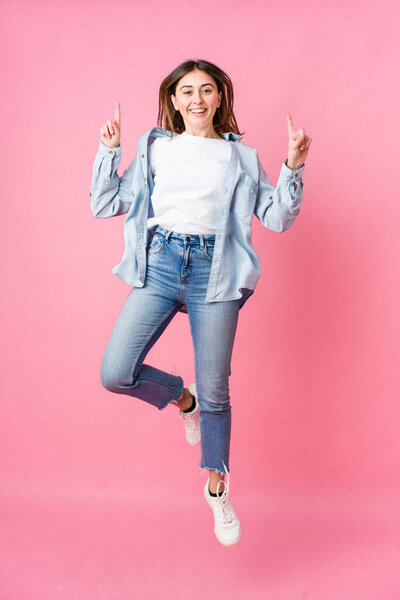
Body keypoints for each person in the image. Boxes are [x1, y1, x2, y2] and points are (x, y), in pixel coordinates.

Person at [90, 58, 312, 546]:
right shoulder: (155, 148)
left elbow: (276, 218)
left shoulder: (243, 159)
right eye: (186, 90)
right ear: (174, 100)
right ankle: (180, 399)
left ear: (219, 99)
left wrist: (292, 166)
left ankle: (216, 485)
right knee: (115, 372)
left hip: (217, 271)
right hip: (161, 262)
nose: (197, 99)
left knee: (217, 389)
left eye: (206, 90)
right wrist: (109, 152)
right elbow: (105, 204)